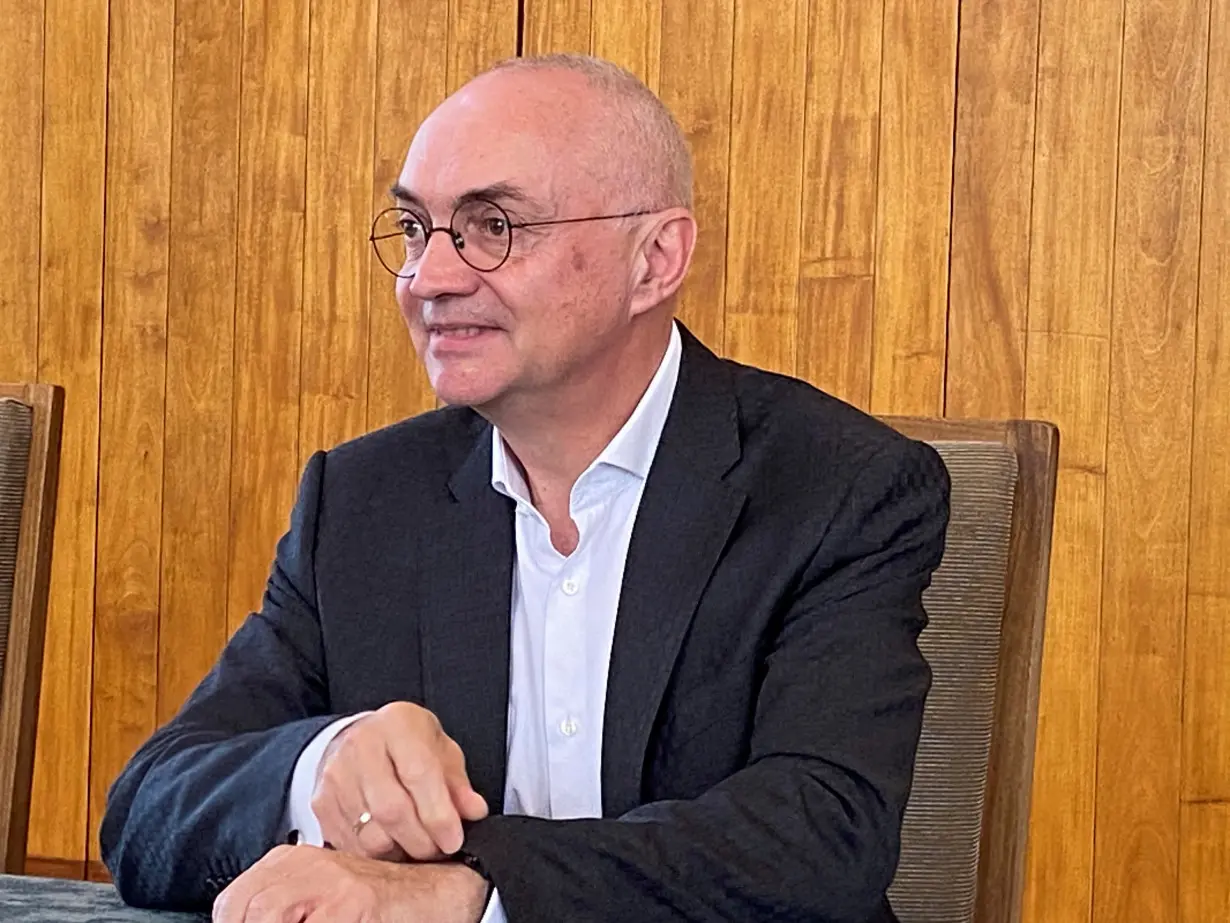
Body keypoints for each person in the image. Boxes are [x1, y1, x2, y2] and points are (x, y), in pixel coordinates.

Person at [100, 53, 949, 923]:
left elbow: (822, 837)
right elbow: (146, 814)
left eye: (493, 225)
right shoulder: (362, 500)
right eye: (414, 227)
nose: (429, 277)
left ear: (655, 259)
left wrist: (477, 885)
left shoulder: (841, 487)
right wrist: (324, 761)